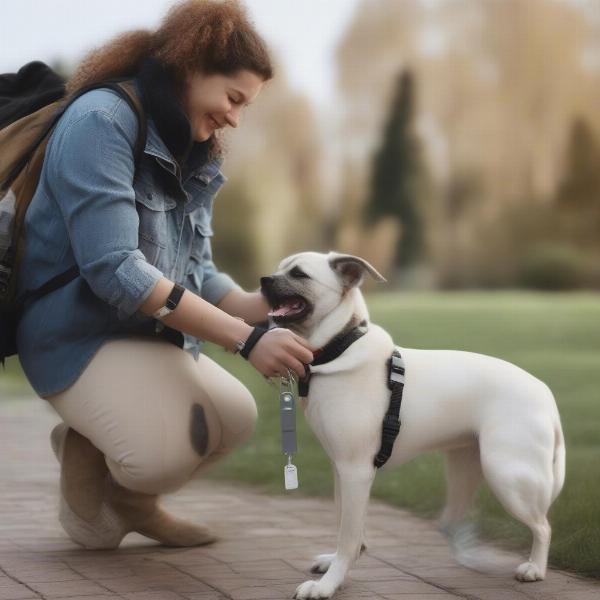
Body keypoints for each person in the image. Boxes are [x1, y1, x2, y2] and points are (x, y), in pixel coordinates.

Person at [15, 0, 314, 550]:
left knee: (235, 417)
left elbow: (195, 271)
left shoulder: (193, 146)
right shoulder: (100, 122)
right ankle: (87, 453)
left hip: (140, 333)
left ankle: (132, 504)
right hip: (74, 333)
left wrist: (277, 304)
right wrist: (247, 341)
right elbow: (115, 271)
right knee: (161, 451)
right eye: (233, 98)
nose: (236, 118)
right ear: (192, 67)